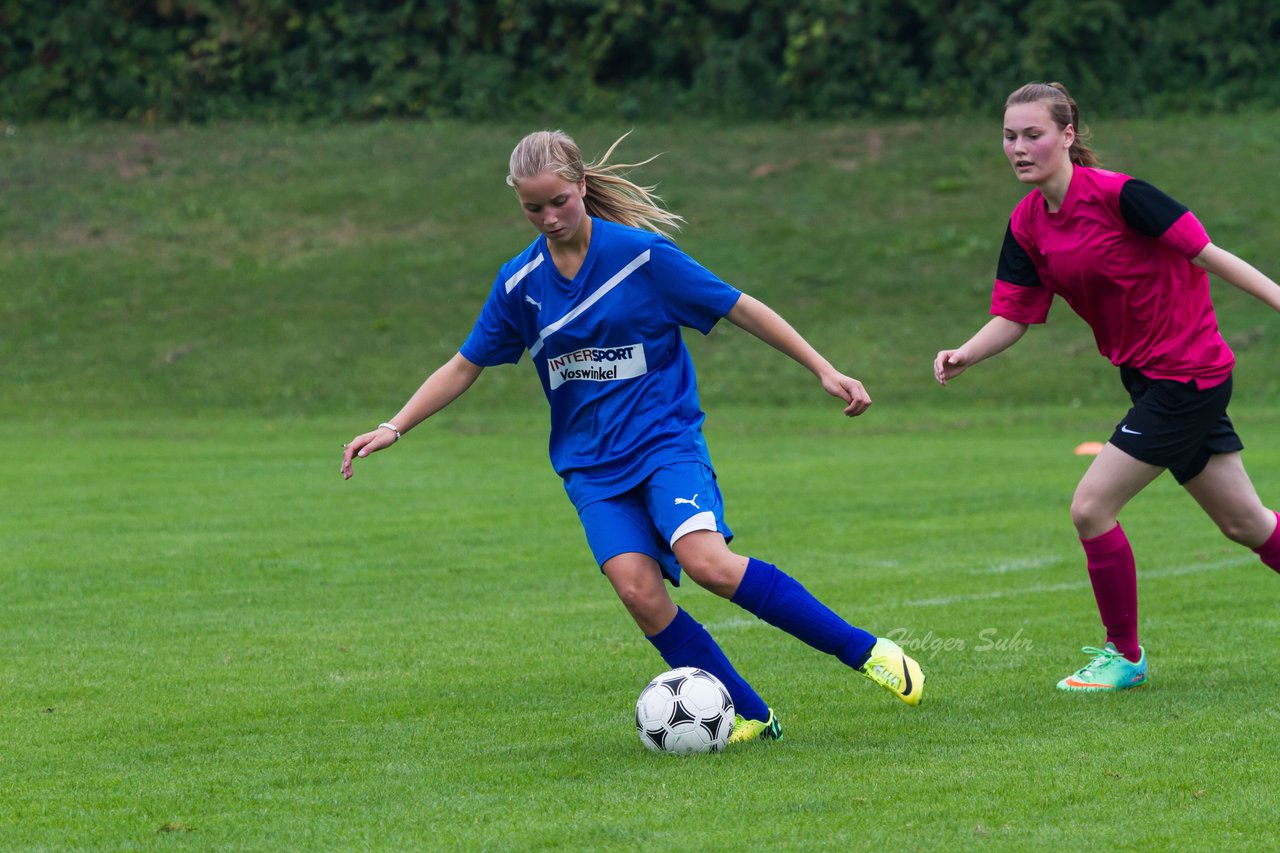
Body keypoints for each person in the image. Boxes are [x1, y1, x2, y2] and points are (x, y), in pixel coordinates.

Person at [341, 130, 925, 740]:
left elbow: (740, 306)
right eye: (532, 208)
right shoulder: (519, 283)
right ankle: (753, 716)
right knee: (638, 591)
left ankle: (867, 652)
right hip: (591, 468)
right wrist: (393, 426)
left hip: (664, 444)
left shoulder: (643, 257)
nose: (548, 217)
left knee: (709, 565)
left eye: (559, 202)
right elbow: (465, 364)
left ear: (582, 186)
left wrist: (824, 369)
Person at [934, 82, 1280, 692]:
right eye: (1010, 137)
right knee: (1247, 524)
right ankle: (1127, 656)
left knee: (1091, 508)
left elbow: (1208, 254)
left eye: (1033, 134)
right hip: (1150, 382)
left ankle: (1126, 657)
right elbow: (1015, 315)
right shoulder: (1027, 223)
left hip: (1187, 375)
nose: (1019, 147)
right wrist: (968, 353)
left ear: (1067, 135)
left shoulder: (1125, 197)